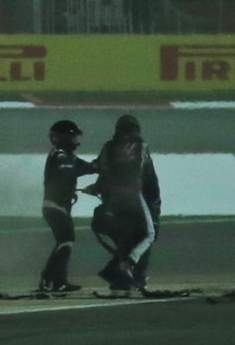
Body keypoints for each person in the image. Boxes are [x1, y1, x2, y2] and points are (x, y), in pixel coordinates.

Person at [89, 114, 160, 291]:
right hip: (135, 196)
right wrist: (155, 203)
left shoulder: (108, 147)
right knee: (149, 234)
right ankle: (126, 266)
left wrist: (97, 188)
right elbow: (149, 176)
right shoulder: (142, 147)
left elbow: (102, 170)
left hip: (114, 200)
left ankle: (120, 277)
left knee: (124, 238)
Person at [39, 119, 97, 292]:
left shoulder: (67, 155)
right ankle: (48, 279)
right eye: (73, 136)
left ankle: (59, 282)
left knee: (64, 241)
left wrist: (100, 166)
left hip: (59, 206)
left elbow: (88, 167)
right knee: (66, 239)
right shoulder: (60, 155)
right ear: (62, 137)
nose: (75, 140)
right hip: (55, 206)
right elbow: (68, 172)